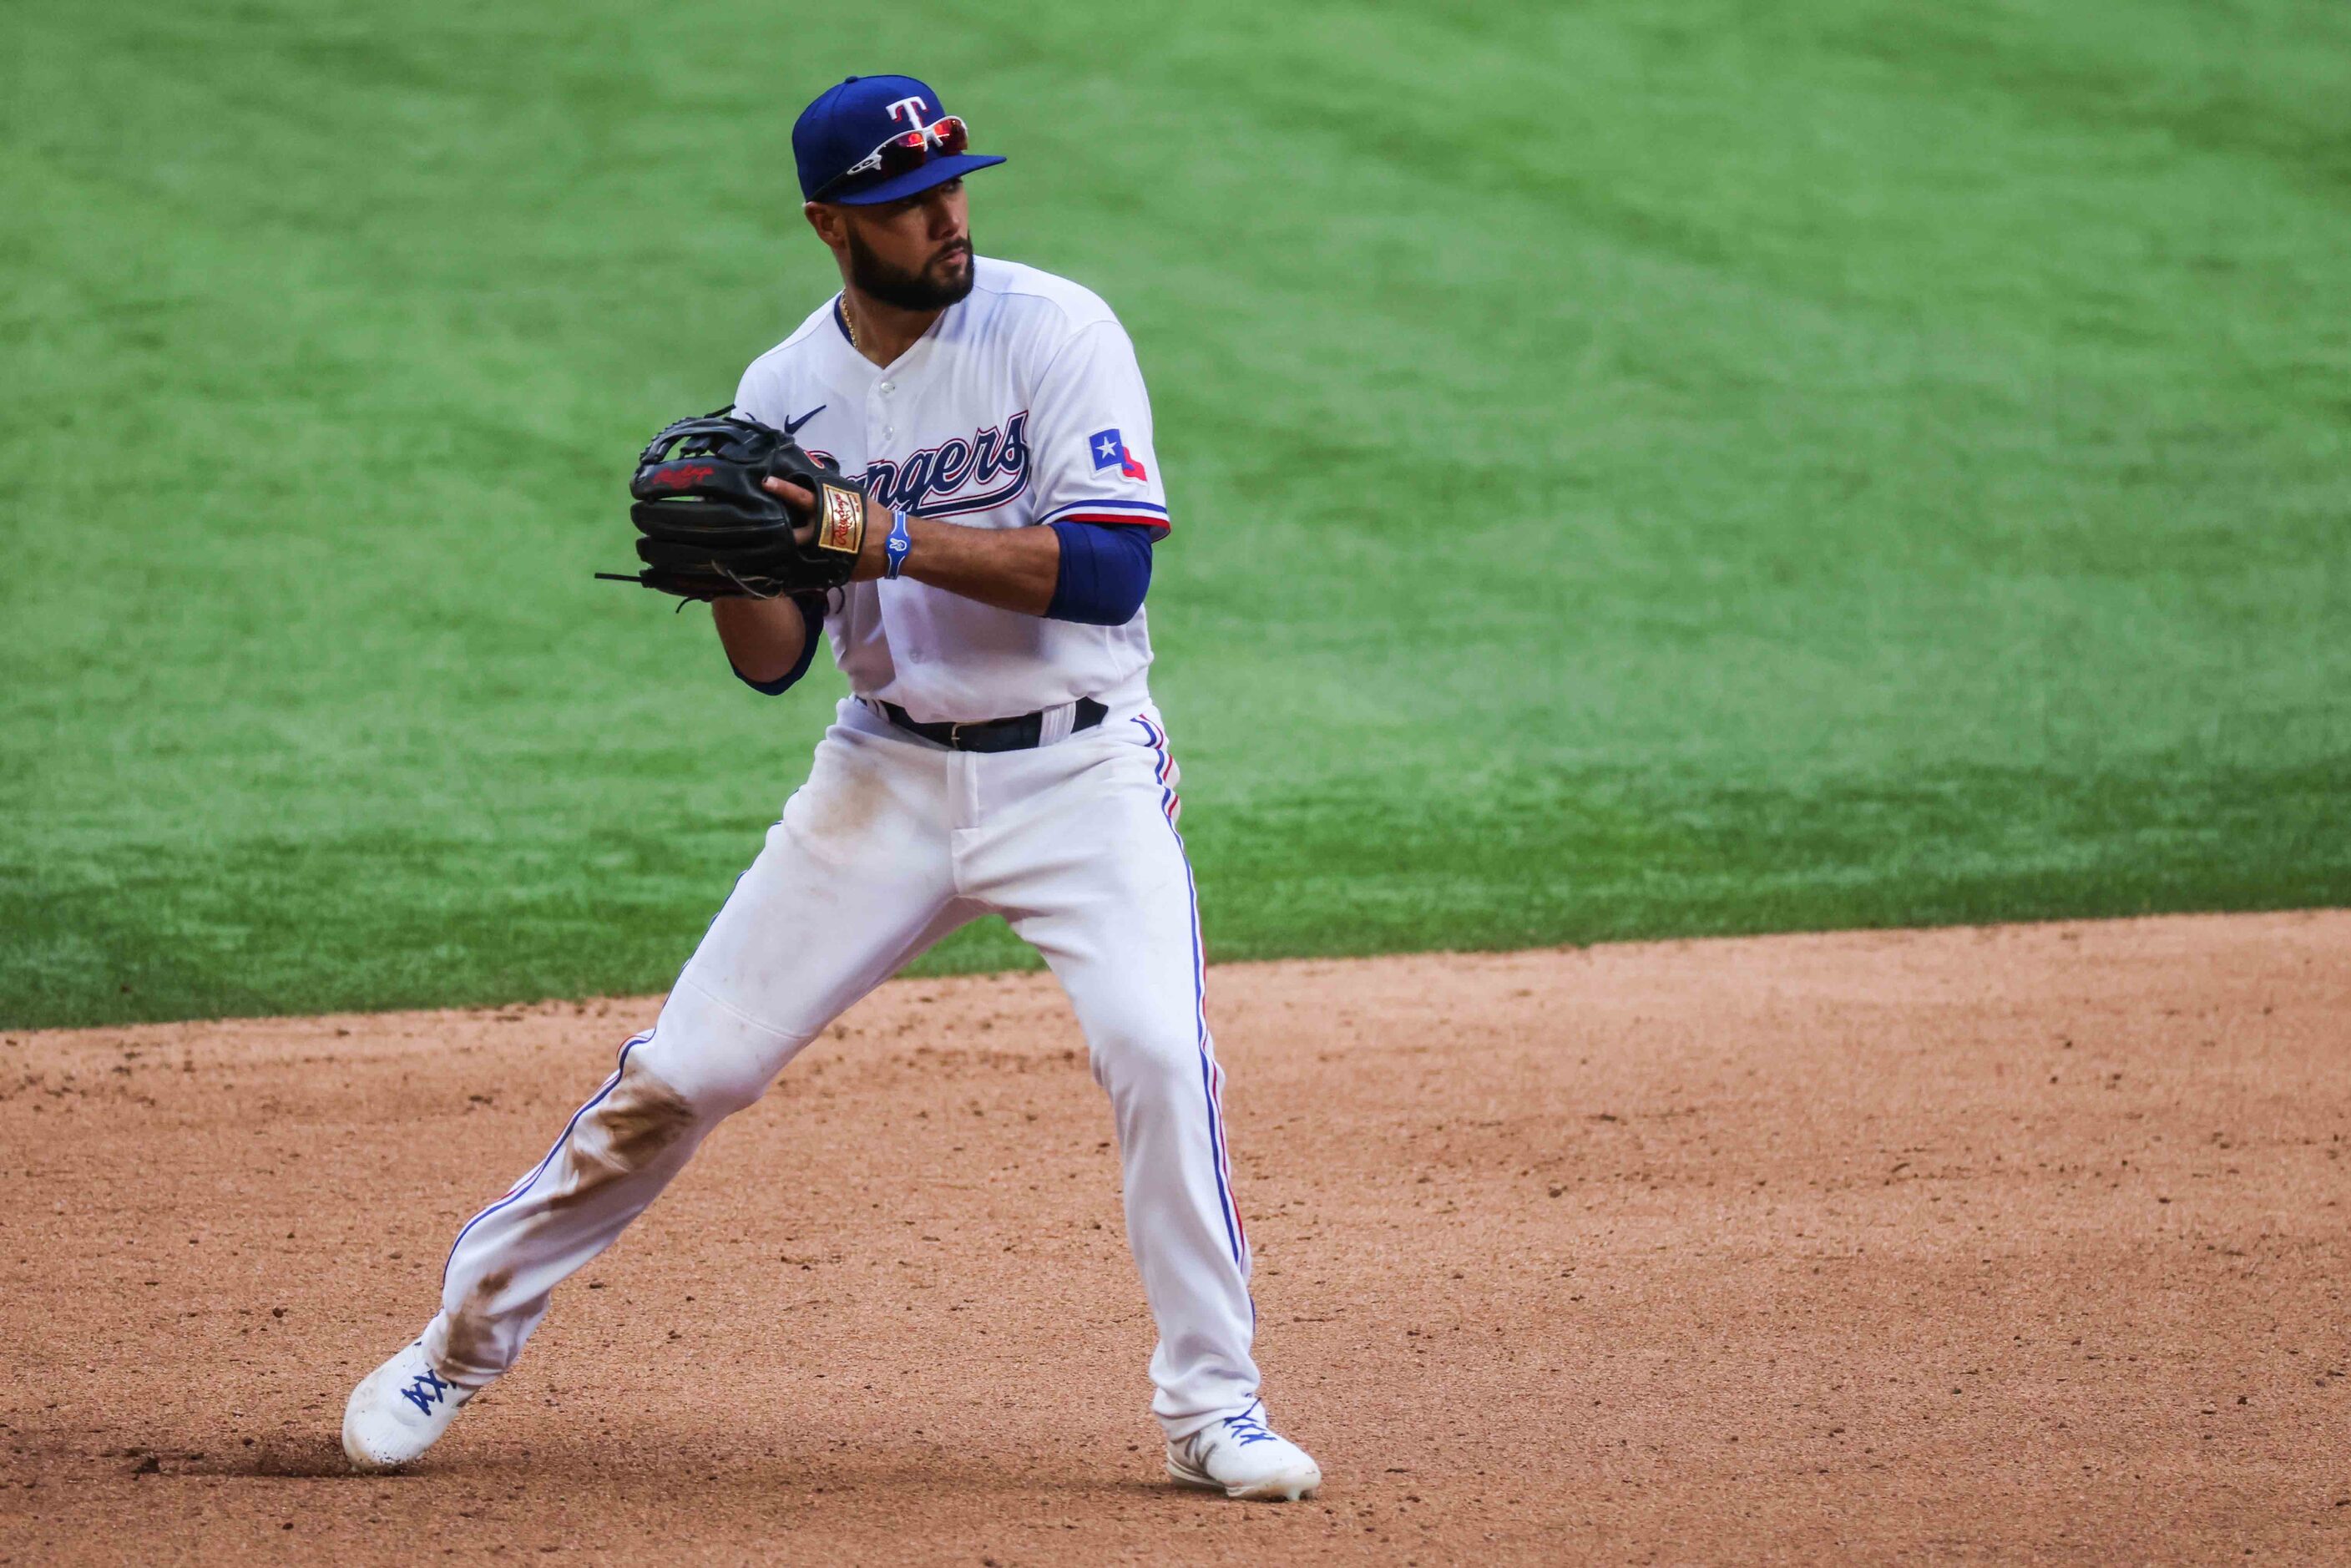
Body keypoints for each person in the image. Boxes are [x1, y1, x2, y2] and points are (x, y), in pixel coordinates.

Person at [339, 72, 1322, 1502]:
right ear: (828, 225)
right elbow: (773, 665)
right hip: (888, 775)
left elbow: (1110, 563)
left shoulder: (1056, 330)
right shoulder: (783, 391)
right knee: (690, 1069)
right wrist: (733, 566)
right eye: (903, 203)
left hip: (1080, 767)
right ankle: (457, 1340)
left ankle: (1213, 1409)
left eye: (951, 185)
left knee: (1158, 1053)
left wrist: (884, 531)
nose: (943, 216)